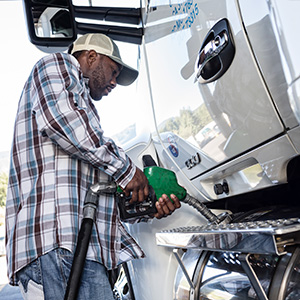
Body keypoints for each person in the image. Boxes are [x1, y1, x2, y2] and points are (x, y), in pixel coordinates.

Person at [5, 33, 181, 300]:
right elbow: (62, 122)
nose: (113, 83)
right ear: (90, 57)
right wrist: (127, 170)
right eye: (113, 71)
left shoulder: (86, 126)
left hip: (75, 248)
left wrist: (145, 206)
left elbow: (100, 195)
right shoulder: (57, 64)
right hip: (60, 244)